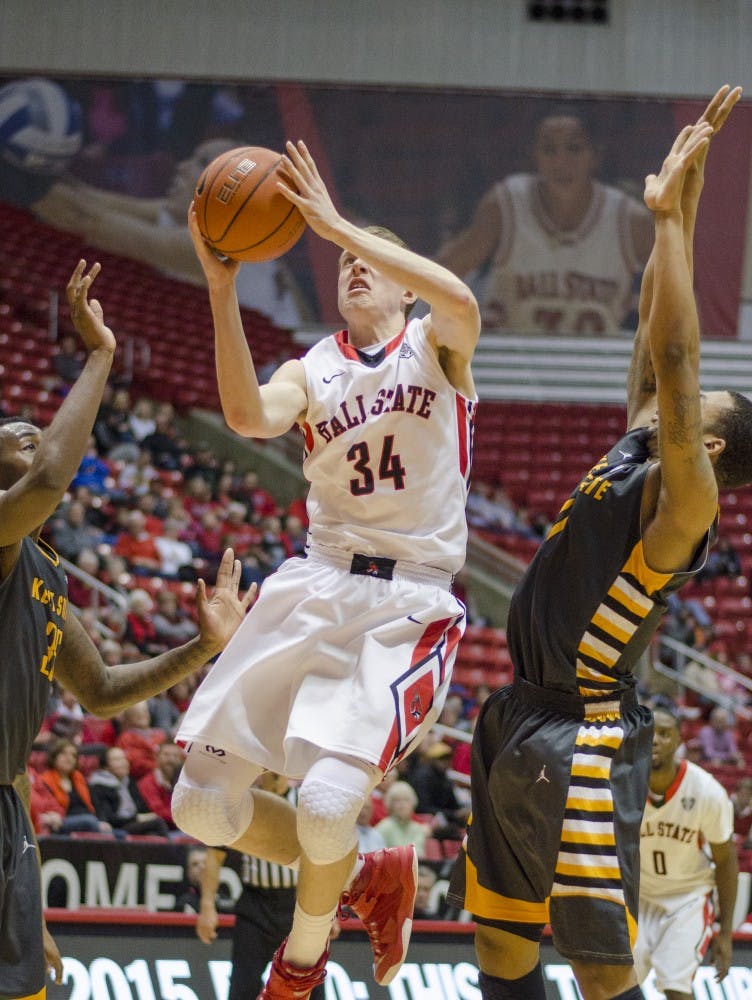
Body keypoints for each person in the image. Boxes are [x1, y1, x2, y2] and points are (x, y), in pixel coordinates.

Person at [447, 85, 750, 1000]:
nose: (670, 397)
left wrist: (663, 221)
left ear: (713, 443)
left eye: (697, 407)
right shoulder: (638, 445)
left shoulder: (684, 501)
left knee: (599, 963)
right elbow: (659, 344)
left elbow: (681, 358)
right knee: (500, 943)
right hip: (518, 709)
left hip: (587, 726)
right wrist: (682, 207)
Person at [171, 137, 480, 999]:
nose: (351, 266)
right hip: (317, 580)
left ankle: (300, 961)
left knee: (322, 806)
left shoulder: (435, 345)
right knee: (199, 806)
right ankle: (371, 875)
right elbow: (243, 413)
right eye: (340, 259)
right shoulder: (313, 367)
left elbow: (456, 295)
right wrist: (222, 285)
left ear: (400, 279)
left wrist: (339, 221)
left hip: (406, 602)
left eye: (367, 261)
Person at [0, 260, 254, 998]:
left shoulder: (44, 575)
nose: (34, 438)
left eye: (33, 432)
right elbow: (49, 477)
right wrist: (102, 355)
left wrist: (202, 647)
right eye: (16, 436)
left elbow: (106, 692)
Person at [33, 139, 313, 329]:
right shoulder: (222, 225)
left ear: (227, 188)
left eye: (200, 161)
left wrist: (20, 180)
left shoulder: (214, 245)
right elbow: (97, 201)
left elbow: (89, 221)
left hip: (262, 370)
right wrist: (47, 168)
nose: (182, 166)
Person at [437, 106, 653, 335]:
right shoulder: (505, 205)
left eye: (574, 148)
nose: (561, 161)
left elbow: (679, 291)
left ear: (595, 155)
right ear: (534, 155)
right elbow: (444, 271)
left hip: (594, 363)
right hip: (512, 358)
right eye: (549, 149)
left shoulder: (628, 219)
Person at [633, 705, 738, 998]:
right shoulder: (623, 783)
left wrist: (726, 933)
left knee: (676, 989)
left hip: (687, 899)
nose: (655, 740)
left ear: (679, 741)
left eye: (665, 734)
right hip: (637, 896)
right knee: (616, 984)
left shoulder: (707, 791)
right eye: (650, 733)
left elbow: (727, 861)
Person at [195, 774, 326, 1000]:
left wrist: (326, 910)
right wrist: (207, 905)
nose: (274, 773)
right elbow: (214, 856)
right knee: (242, 985)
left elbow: (324, 860)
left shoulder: (306, 804)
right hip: (256, 904)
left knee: (310, 985)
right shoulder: (241, 802)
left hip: (299, 904)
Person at [88, 745, 170, 838]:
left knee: (153, 832)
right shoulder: (98, 786)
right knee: (157, 824)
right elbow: (109, 818)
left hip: (133, 824)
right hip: (118, 827)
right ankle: (174, 851)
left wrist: (146, 816)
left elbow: (143, 808)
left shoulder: (130, 782)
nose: (124, 763)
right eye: (117, 760)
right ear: (106, 766)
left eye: (124, 759)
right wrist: (136, 818)